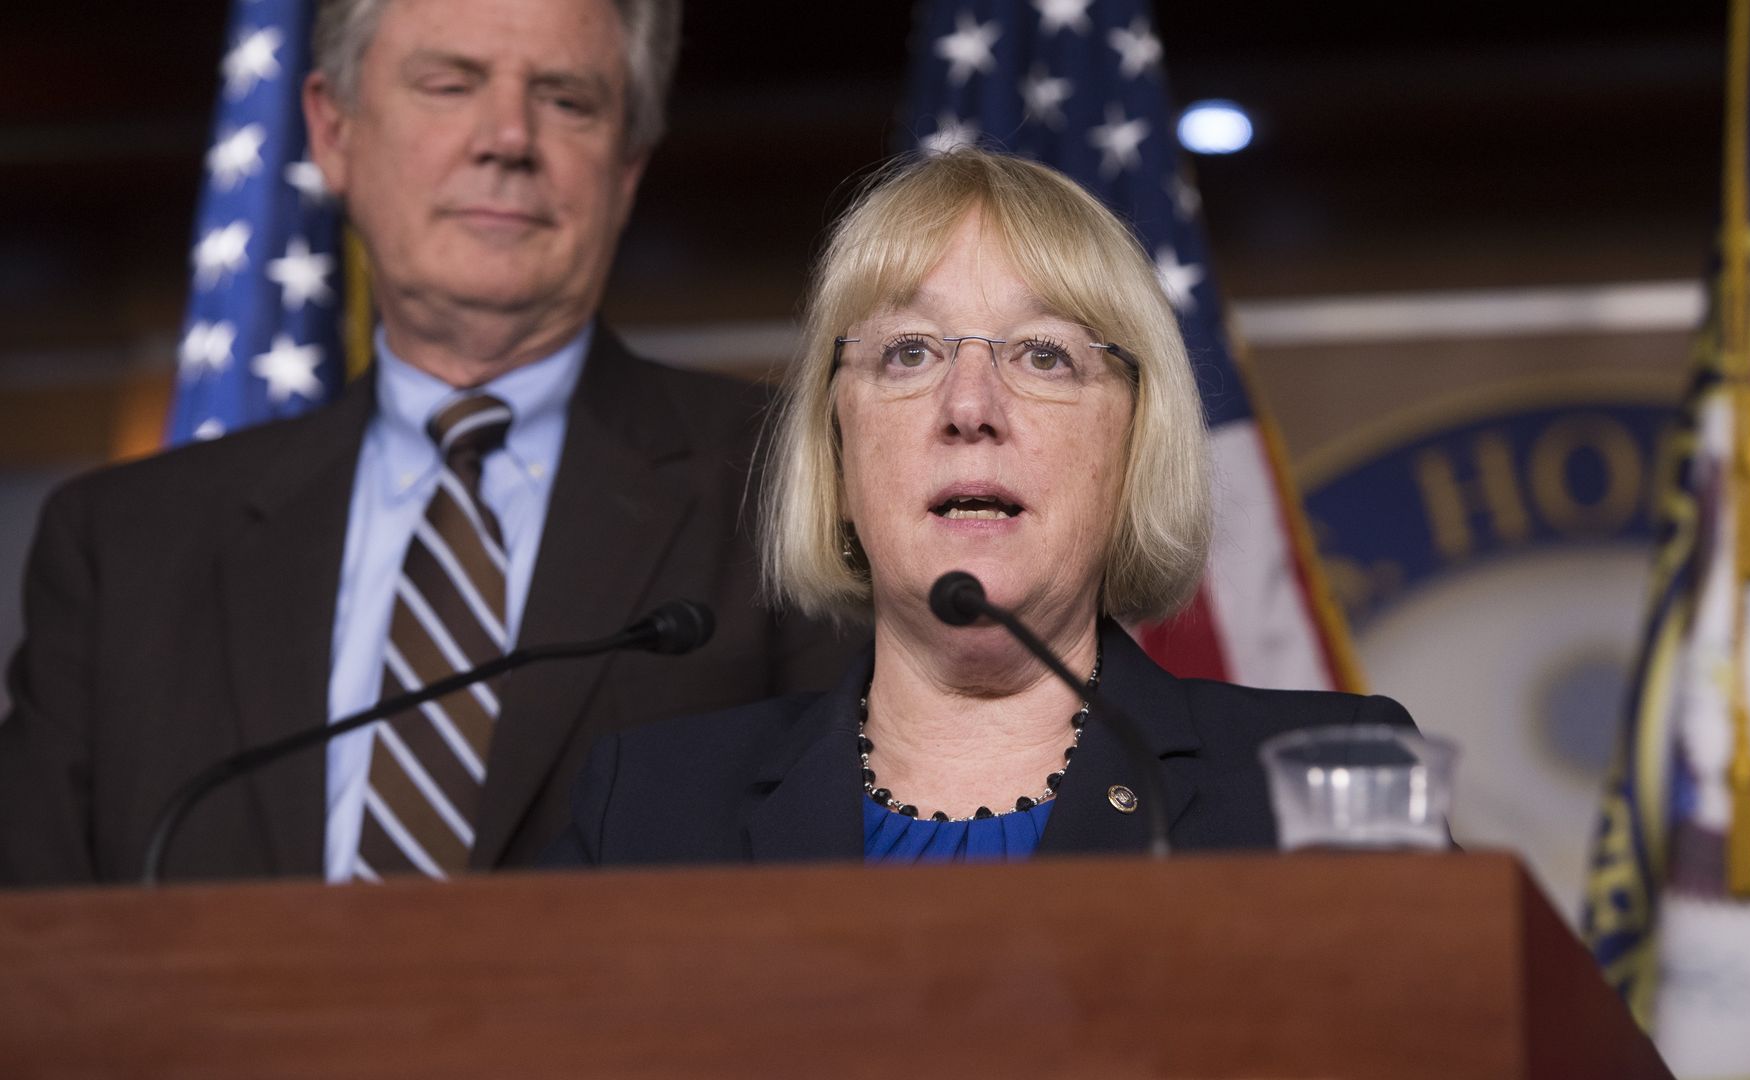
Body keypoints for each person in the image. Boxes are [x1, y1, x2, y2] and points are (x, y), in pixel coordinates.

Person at [0, 0, 847, 886]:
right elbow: (34, 952)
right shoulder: (123, 548)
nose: (508, 138)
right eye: (449, 84)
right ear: (333, 131)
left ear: (628, 165)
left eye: (567, 100)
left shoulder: (792, 481)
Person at [546, 148, 1415, 866]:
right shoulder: (648, 811)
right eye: (909, 352)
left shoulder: (1325, 790)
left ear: (1131, 448)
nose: (970, 405)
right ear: (841, 456)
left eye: (1043, 355)